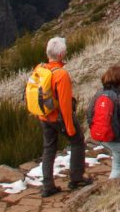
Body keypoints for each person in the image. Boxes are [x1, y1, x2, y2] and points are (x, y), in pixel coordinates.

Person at [26, 36, 88, 196]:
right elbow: (65, 105)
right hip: (58, 117)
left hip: (44, 117)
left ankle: (47, 186)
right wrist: (70, 127)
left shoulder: (40, 69)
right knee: (77, 142)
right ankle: (76, 179)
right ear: (61, 55)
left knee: (49, 149)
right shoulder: (61, 75)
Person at [85, 65, 120, 180]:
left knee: (114, 155)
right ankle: (111, 190)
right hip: (118, 139)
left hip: (100, 137)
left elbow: (89, 112)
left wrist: (95, 128)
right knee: (118, 167)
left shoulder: (100, 93)